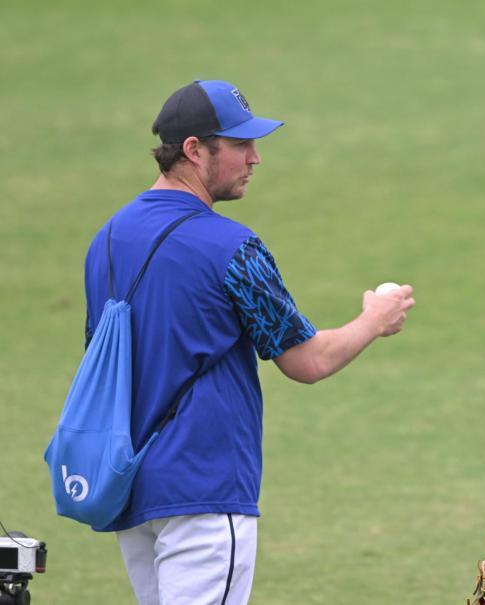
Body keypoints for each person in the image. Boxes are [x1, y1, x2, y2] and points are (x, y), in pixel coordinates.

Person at [81, 79, 415, 604]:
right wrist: (374, 319)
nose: (255, 158)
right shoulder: (233, 247)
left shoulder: (106, 238)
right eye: (240, 145)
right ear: (194, 150)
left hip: (131, 492)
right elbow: (307, 361)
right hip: (205, 489)